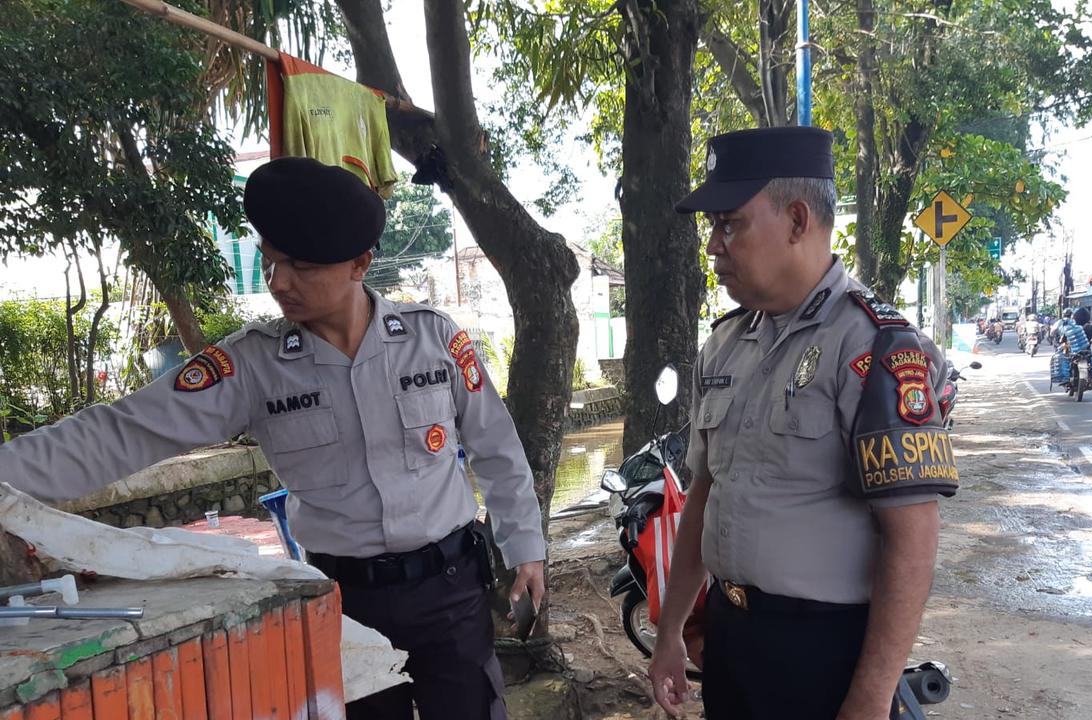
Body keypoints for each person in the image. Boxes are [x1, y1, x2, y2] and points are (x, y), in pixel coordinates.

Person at [0, 157, 546, 720]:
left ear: (360, 263)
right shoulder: (252, 365)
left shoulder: (432, 339)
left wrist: (526, 548)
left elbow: (496, 447)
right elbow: (119, 432)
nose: (278, 281)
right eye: (271, 260)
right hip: (342, 604)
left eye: (301, 266)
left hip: (451, 592)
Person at [646, 126, 958, 719]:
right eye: (712, 227)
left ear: (796, 220)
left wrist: (870, 698)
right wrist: (671, 630)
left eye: (729, 224)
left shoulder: (875, 346)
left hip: (824, 653)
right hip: (731, 639)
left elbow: (913, 537)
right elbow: (704, 495)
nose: (712, 245)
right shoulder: (725, 345)